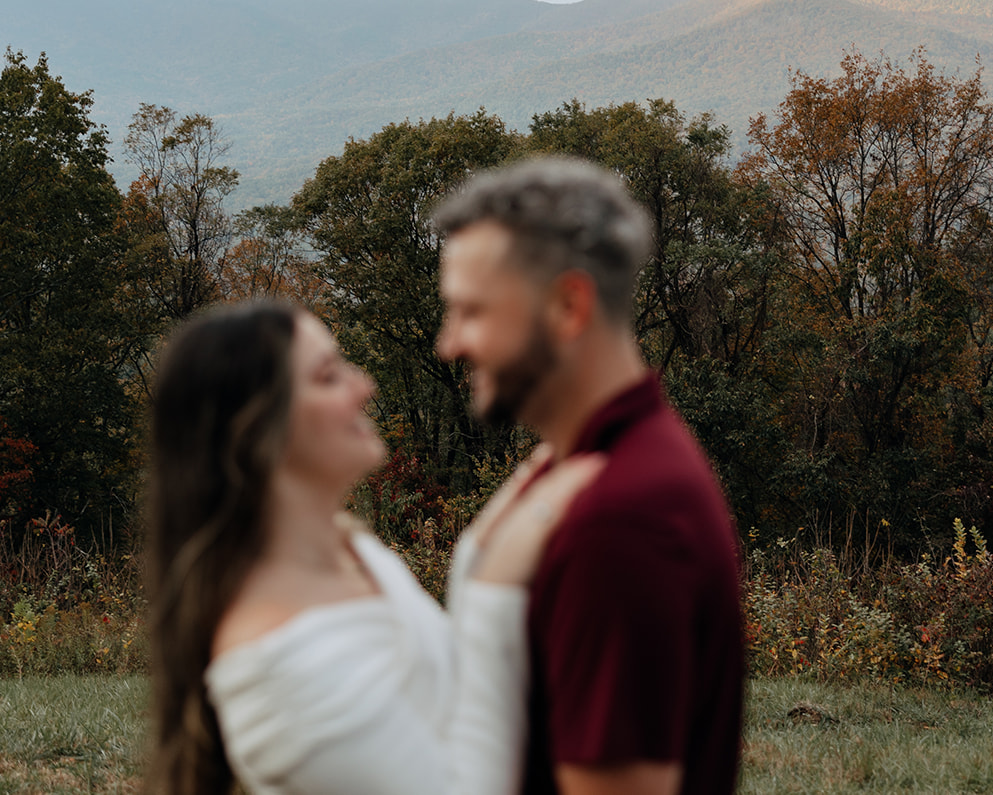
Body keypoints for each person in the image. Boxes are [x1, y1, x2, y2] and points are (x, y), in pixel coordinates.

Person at [143, 299, 605, 795]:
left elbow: (447, 693)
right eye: (327, 376)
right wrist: (495, 591)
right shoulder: (281, 673)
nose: (365, 386)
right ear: (256, 433)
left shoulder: (351, 550)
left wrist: (483, 546)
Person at [432, 156, 745, 795]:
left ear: (568, 306)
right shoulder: (571, 464)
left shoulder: (621, 517)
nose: (450, 342)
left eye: (472, 311)